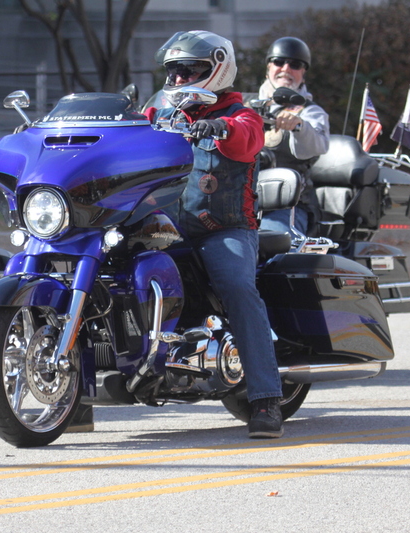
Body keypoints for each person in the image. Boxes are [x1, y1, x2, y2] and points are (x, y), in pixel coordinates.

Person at [145, 30, 283, 438]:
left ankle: (265, 399)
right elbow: (128, 135)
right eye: (176, 71)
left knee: (237, 287)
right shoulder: (160, 112)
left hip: (222, 229)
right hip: (162, 229)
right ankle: (81, 396)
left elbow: (246, 140)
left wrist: (219, 128)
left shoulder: (242, 116)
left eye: (192, 70)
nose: (182, 79)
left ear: (219, 69)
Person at [257, 37, 330, 236]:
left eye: (295, 65)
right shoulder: (246, 104)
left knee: (269, 243)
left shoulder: (309, 112)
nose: (286, 69)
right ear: (268, 68)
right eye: (279, 62)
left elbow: (318, 145)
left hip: (286, 206)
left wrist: (299, 126)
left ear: (303, 74)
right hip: (236, 202)